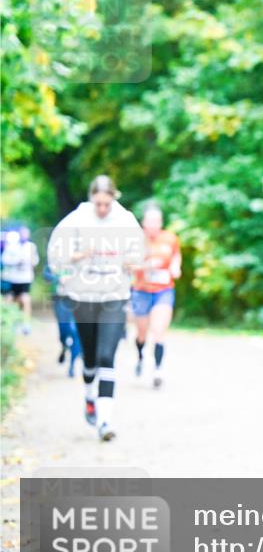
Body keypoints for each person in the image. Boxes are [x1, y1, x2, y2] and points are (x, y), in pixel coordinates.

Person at [47, 175, 144, 441]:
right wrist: (77, 257)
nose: (102, 209)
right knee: (89, 358)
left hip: (114, 296)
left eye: (107, 204)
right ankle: (89, 396)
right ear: (91, 198)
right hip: (84, 296)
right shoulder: (76, 221)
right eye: (98, 203)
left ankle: (105, 421)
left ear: (115, 197)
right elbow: (56, 259)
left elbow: (138, 255)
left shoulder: (125, 221)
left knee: (106, 356)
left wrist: (132, 264)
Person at [131, 202, 181, 389]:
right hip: (141, 291)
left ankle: (158, 369)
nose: (153, 225)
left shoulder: (170, 238)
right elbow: (127, 265)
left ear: (161, 222)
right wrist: (147, 266)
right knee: (142, 334)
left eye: (157, 221)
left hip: (163, 291)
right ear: (144, 222)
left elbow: (176, 255)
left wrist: (176, 266)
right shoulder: (136, 241)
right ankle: (140, 355)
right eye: (150, 221)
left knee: (158, 331)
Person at [43, 264, 82, 377]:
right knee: (63, 330)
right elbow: (46, 274)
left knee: (75, 332)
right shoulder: (57, 255)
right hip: (60, 299)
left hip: (79, 300)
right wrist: (58, 278)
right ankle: (64, 346)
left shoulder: (84, 253)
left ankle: (72, 366)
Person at [1, 227, 40, 334]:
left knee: (25, 299)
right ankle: (10, 323)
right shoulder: (12, 246)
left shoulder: (31, 247)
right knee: (10, 300)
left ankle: (26, 324)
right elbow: (5, 259)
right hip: (12, 279)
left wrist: (29, 261)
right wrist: (16, 261)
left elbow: (35, 261)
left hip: (25, 279)